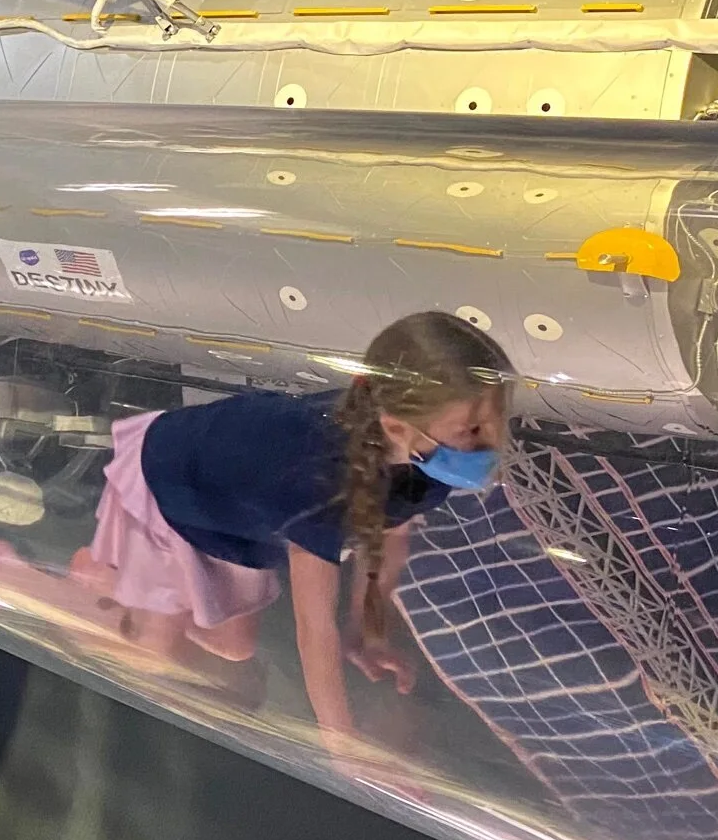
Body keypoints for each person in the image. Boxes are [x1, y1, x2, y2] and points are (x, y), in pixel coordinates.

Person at [83, 310, 514, 742]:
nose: (493, 445)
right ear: (396, 427)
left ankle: (143, 590)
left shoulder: (419, 458)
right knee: (155, 649)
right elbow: (314, 628)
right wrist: (341, 743)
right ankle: (107, 579)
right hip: (168, 477)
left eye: (499, 422)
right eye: (474, 430)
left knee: (235, 648)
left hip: (235, 509)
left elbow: (389, 536)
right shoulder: (319, 484)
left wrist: (367, 633)